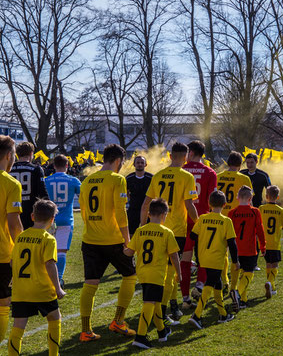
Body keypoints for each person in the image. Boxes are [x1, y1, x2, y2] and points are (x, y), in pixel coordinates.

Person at [78, 144, 137, 342]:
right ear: (118, 160)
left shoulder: (86, 181)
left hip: (90, 239)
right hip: (113, 240)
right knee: (130, 276)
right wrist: (128, 241)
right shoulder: (117, 179)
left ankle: (86, 331)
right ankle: (118, 321)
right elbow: (121, 213)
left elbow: (84, 211)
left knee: (90, 284)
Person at [141, 142, 198, 325]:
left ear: (171, 156)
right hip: (176, 230)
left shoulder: (157, 175)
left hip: (156, 228)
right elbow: (189, 205)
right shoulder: (186, 176)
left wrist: (144, 227)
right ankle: (163, 312)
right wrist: (198, 224)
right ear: (186, 156)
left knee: (163, 271)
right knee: (171, 272)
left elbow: (145, 205)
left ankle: (171, 305)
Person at [8, 199, 65, 356]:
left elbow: (13, 263)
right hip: (42, 290)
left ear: (32, 216)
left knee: (18, 325)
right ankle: (53, 354)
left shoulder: (20, 237)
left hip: (21, 290)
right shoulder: (48, 239)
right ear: (52, 219)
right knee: (54, 317)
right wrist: (58, 288)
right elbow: (50, 265)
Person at [124, 198, 181, 349]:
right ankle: (140, 336)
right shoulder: (167, 232)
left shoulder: (140, 231)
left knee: (155, 302)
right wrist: (179, 274)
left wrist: (121, 248)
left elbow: (129, 252)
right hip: (156, 273)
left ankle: (162, 331)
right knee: (150, 302)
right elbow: (174, 256)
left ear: (148, 214)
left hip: (143, 273)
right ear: (164, 215)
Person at [188, 190, 238, 329]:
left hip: (204, 257)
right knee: (210, 284)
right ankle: (197, 315)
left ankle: (223, 314)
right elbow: (232, 244)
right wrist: (236, 261)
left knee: (218, 284)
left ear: (209, 204)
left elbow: (193, 236)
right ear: (225, 205)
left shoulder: (203, 218)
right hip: (216, 257)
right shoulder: (226, 221)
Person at [181, 140, 217, 308]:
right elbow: (211, 200)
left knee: (185, 260)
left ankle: (185, 298)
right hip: (202, 221)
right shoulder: (210, 173)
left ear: (192, 153)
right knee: (203, 257)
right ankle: (200, 285)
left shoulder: (181, 170)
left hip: (183, 221)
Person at [45, 154, 81, 288]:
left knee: (46, 251)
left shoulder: (47, 180)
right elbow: (83, 197)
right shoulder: (73, 180)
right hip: (66, 220)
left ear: (54, 166)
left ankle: (46, 277)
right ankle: (58, 279)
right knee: (61, 251)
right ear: (67, 165)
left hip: (48, 219)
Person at [217, 151, 252, 287]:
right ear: (240, 164)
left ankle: (224, 279)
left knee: (222, 250)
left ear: (227, 163)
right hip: (237, 218)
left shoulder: (218, 176)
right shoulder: (244, 178)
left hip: (220, 214)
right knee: (237, 250)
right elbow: (250, 200)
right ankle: (233, 284)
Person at [227, 186, 265, 311]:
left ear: (237, 198)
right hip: (249, 249)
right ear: (251, 198)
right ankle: (238, 293)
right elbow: (260, 230)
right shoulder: (255, 212)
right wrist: (263, 246)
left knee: (241, 274)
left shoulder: (232, 213)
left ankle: (243, 300)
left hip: (235, 250)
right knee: (249, 273)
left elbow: (228, 233)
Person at [0, 136, 23, 342]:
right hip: (2, 253)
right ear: (9, 155)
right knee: (3, 302)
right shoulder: (10, 183)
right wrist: (24, 250)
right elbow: (14, 223)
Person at [258, 185, 283, 298]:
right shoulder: (280, 210)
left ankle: (270, 285)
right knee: (275, 264)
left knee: (268, 264)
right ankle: (271, 283)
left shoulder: (261, 209)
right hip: (275, 243)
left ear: (266, 196)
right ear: (277, 197)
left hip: (263, 243)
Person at [10, 142, 48, 229]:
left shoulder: (9, 169)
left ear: (17, 154)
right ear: (31, 154)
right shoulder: (36, 169)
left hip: (12, 211)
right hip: (30, 212)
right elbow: (42, 193)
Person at [126, 156, 153, 236]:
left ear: (145, 164)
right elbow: (126, 192)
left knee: (147, 233)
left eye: (142, 163)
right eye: (138, 163)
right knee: (131, 233)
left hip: (148, 210)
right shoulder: (129, 178)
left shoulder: (151, 178)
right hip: (133, 209)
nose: (140, 164)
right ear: (134, 164)